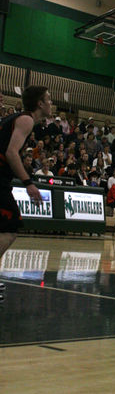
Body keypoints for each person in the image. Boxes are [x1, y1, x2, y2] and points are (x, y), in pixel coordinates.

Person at [0, 86, 52, 301]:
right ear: (40, 103)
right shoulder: (26, 120)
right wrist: (29, 183)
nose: (51, 102)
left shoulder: (17, 118)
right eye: (48, 99)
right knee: (10, 228)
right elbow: (11, 152)